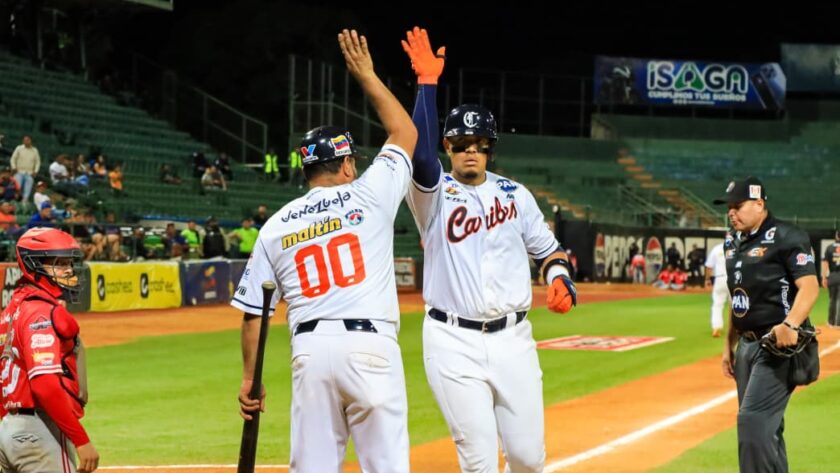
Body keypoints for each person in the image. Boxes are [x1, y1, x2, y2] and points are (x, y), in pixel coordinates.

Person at [233, 29, 417, 473]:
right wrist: (367, 75)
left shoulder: (276, 225)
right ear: (348, 163)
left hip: (309, 353)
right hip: (369, 346)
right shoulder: (368, 194)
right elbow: (404, 131)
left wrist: (248, 380)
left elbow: (253, 314)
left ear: (307, 169)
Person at [401, 27, 577, 473]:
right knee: (478, 462)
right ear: (448, 147)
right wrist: (426, 86)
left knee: (527, 459)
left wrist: (560, 278)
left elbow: (550, 250)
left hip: (513, 340)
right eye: (460, 145)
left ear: (490, 149)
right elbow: (420, 158)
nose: (471, 152)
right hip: (451, 340)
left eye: (480, 145)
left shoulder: (516, 196)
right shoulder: (432, 193)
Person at [715, 176, 820, 473]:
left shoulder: (788, 235)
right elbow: (738, 298)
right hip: (746, 346)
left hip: (778, 345)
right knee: (766, 433)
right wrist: (729, 346)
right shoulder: (731, 242)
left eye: (738, 206)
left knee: (753, 423)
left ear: (759, 204)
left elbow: (810, 287)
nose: (731, 213)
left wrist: (791, 323)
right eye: (728, 208)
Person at [0, 228, 99, 473]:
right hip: (40, 431)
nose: (68, 270)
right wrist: (81, 440)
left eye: (69, 263)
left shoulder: (13, 308)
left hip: (7, 430)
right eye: (59, 263)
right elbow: (44, 383)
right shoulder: (41, 313)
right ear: (34, 266)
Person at [705, 241, 729, 337]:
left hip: (720, 279)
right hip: (734, 278)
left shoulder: (717, 248)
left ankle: (716, 327)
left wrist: (707, 279)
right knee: (736, 306)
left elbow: (709, 266)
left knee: (717, 305)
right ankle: (737, 329)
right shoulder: (738, 246)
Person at [10, 135, 41, 206]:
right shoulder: (19, 148)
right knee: (17, 188)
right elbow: (13, 159)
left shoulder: (35, 150)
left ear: (31, 141)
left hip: (30, 173)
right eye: (24, 140)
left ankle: (24, 203)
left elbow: (37, 162)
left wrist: (35, 171)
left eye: (27, 140)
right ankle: (13, 201)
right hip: (19, 171)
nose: (26, 141)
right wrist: (14, 167)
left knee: (27, 190)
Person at [823, 230, 840, 328]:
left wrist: (824, 277)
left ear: (836, 236)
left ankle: (830, 322)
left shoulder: (829, 248)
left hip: (832, 276)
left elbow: (825, 263)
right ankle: (839, 323)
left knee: (832, 299)